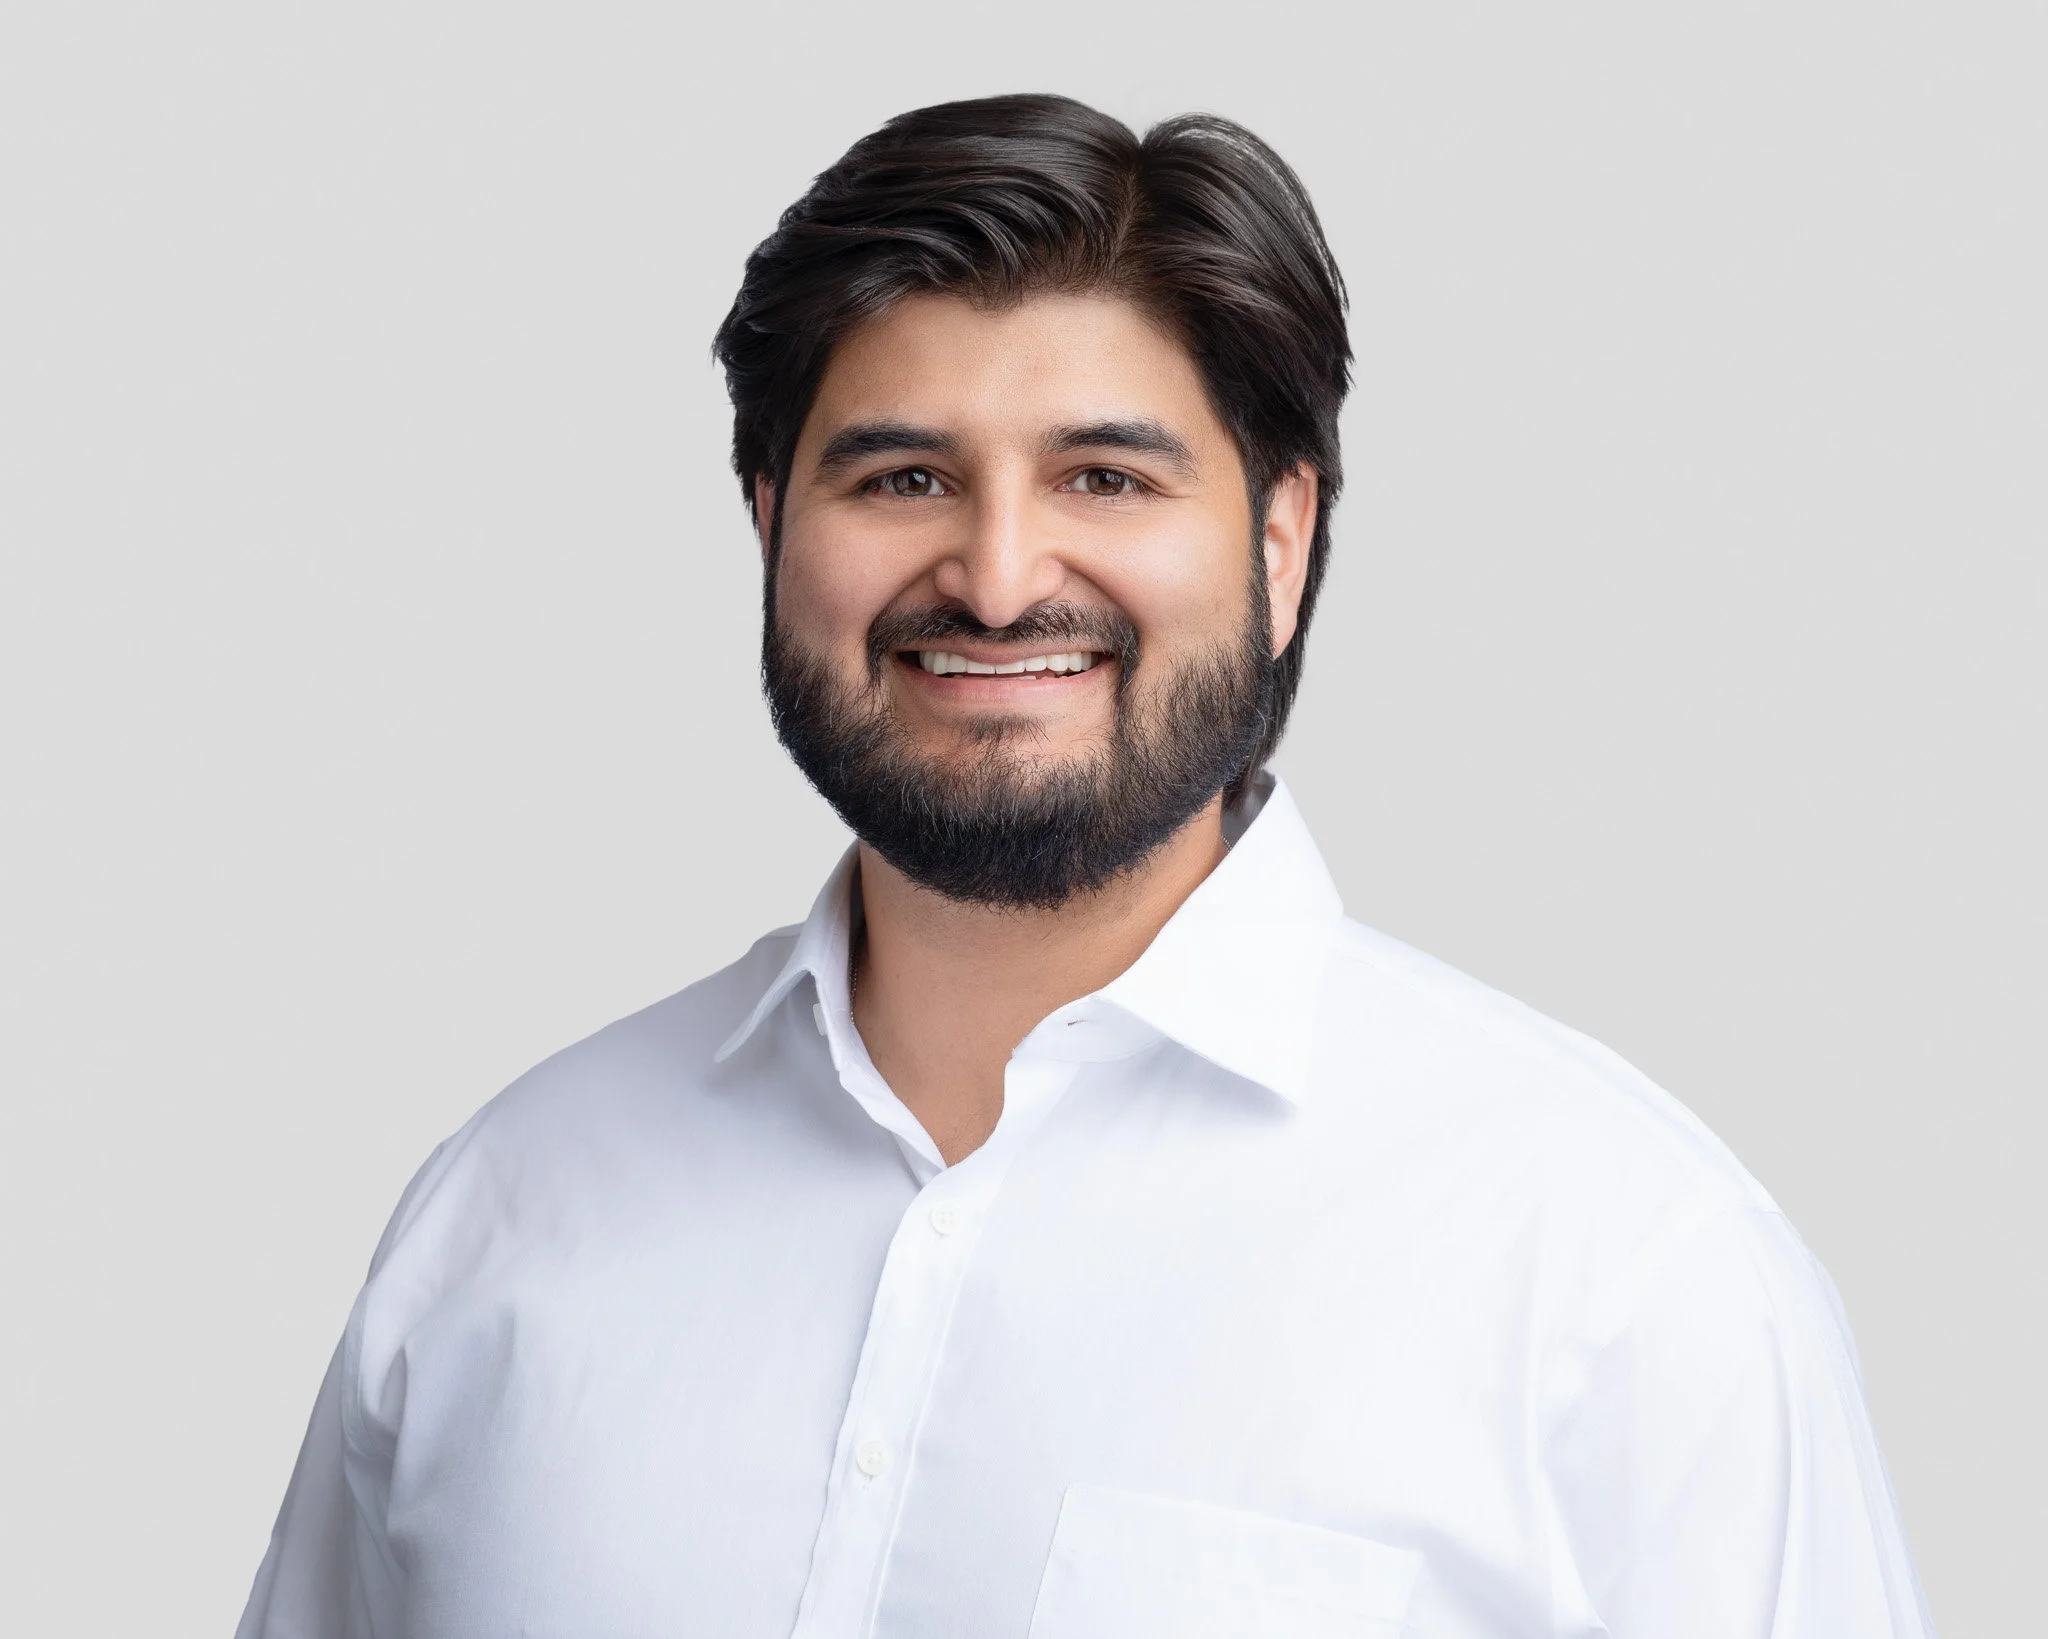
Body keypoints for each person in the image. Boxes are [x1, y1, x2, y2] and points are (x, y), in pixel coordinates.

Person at [236, 94, 1932, 1638]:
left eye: (1104, 475)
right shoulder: (504, 1214)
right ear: (770, 527)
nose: (992, 574)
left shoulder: (1628, 1280)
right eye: (902, 475)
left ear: (1281, 540)